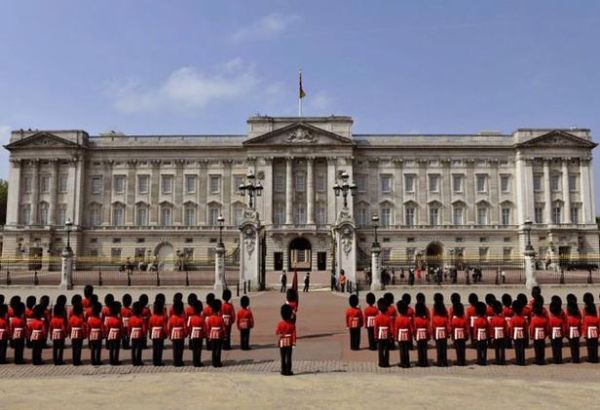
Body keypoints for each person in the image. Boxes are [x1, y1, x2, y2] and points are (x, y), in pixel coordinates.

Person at [276, 304, 296, 376]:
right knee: (289, 357)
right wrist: (294, 343)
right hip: (289, 342)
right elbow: (294, 335)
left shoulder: (280, 324)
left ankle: (283, 370)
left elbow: (277, 332)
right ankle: (288, 371)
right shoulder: (292, 325)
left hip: (282, 342)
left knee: (283, 357)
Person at [206, 299, 225, 367]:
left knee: (213, 349)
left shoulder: (210, 318)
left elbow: (208, 328)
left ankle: (214, 362)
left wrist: (208, 335)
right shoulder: (220, 318)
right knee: (218, 349)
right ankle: (218, 362)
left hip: (212, 334)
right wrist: (224, 335)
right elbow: (223, 328)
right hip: (219, 334)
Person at [168, 301, 187, 367]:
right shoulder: (182, 319)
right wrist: (186, 334)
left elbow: (170, 328)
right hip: (181, 334)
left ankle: (175, 361)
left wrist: (170, 335)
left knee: (175, 348)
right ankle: (180, 361)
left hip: (174, 334)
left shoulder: (172, 318)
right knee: (180, 348)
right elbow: (185, 327)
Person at [395, 300, 413, 368]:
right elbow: (410, 328)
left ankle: (403, 362)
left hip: (400, 335)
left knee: (402, 349)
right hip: (406, 335)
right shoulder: (407, 319)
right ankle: (407, 362)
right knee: (406, 349)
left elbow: (396, 329)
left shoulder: (398, 319)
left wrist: (396, 337)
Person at [148, 301, 167, 366]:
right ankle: (159, 361)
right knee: (160, 348)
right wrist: (165, 334)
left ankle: (154, 361)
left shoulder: (152, 317)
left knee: (155, 348)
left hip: (154, 333)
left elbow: (150, 327)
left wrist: (150, 335)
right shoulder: (162, 318)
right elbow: (164, 327)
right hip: (160, 334)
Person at [431, 301, 449, 367]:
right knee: (444, 348)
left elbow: (433, 327)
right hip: (444, 333)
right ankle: (445, 361)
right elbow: (448, 327)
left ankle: (439, 362)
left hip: (437, 334)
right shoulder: (444, 318)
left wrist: (433, 335)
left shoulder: (435, 318)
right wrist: (447, 334)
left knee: (438, 348)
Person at [188, 300, 206, 367]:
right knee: (199, 349)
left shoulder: (192, 318)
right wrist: (205, 334)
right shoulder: (201, 319)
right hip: (200, 335)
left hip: (193, 334)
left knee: (194, 349)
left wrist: (190, 334)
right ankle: (198, 362)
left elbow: (190, 327)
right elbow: (204, 328)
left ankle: (195, 361)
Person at [129, 302, 146, 366]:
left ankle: (133, 360)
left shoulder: (131, 319)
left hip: (133, 334)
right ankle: (138, 361)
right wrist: (144, 334)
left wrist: (129, 333)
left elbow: (129, 327)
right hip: (139, 335)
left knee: (133, 348)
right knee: (139, 348)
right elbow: (144, 328)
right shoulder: (141, 319)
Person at [105, 301, 123, 366]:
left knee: (111, 348)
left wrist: (107, 335)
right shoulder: (118, 320)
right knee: (116, 348)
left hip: (111, 335)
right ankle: (116, 360)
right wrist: (121, 335)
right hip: (117, 335)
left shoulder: (109, 320)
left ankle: (111, 360)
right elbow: (121, 329)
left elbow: (107, 328)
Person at [490, 301, 507, 365]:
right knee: (502, 348)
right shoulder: (503, 319)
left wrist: (492, 336)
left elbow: (492, 328)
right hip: (502, 335)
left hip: (496, 335)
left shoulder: (493, 319)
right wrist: (505, 336)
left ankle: (497, 360)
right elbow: (505, 329)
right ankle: (502, 360)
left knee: (497, 348)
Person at [510, 300, 527, 366]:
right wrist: (525, 335)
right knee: (522, 348)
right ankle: (522, 360)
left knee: (517, 348)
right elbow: (525, 328)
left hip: (515, 334)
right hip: (522, 334)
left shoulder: (513, 319)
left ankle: (518, 360)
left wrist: (511, 336)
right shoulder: (523, 319)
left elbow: (511, 328)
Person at [414, 302, 430, 367]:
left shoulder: (416, 320)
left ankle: (420, 361)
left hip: (418, 334)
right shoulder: (425, 320)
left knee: (419, 349)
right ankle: (425, 361)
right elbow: (428, 328)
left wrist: (415, 335)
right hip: (424, 334)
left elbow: (415, 328)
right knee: (424, 349)